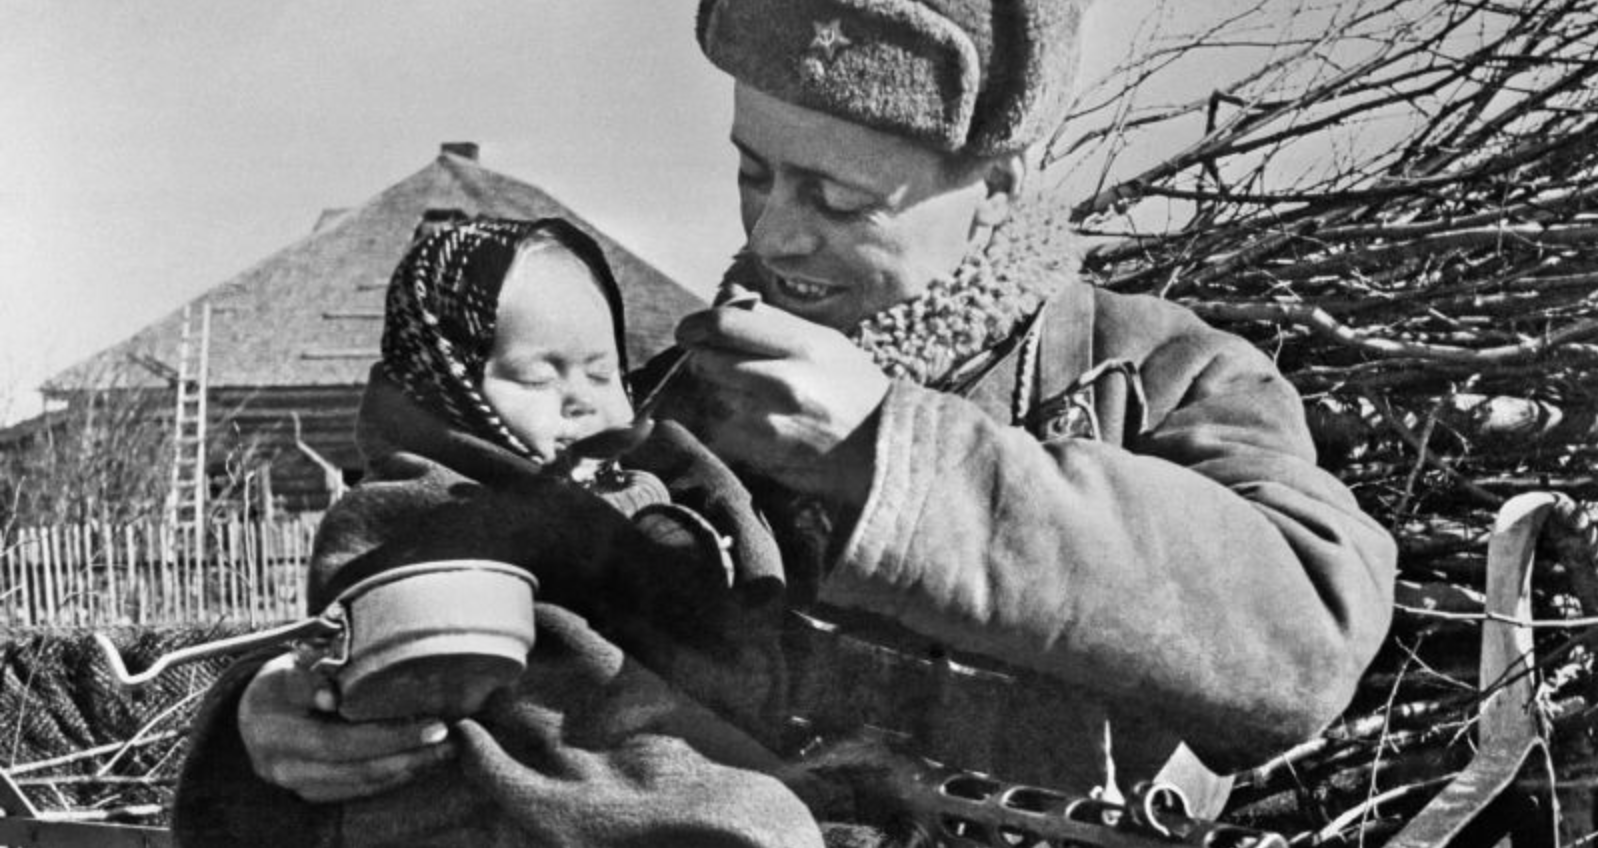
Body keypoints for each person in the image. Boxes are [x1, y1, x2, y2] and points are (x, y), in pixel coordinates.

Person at [198, 2, 1398, 845]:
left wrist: (893, 453)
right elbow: (447, 566)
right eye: (751, 172)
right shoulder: (669, 400)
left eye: (835, 197)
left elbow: (1301, 632)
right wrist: (276, 726)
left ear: (1000, 183)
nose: (772, 236)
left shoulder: (1154, 371)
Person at [173, 216, 824, 847]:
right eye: (539, 375)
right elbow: (546, 703)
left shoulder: (678, 482)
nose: (582, 398)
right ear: (445, 390)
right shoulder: (440, 510)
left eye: (603, 373)